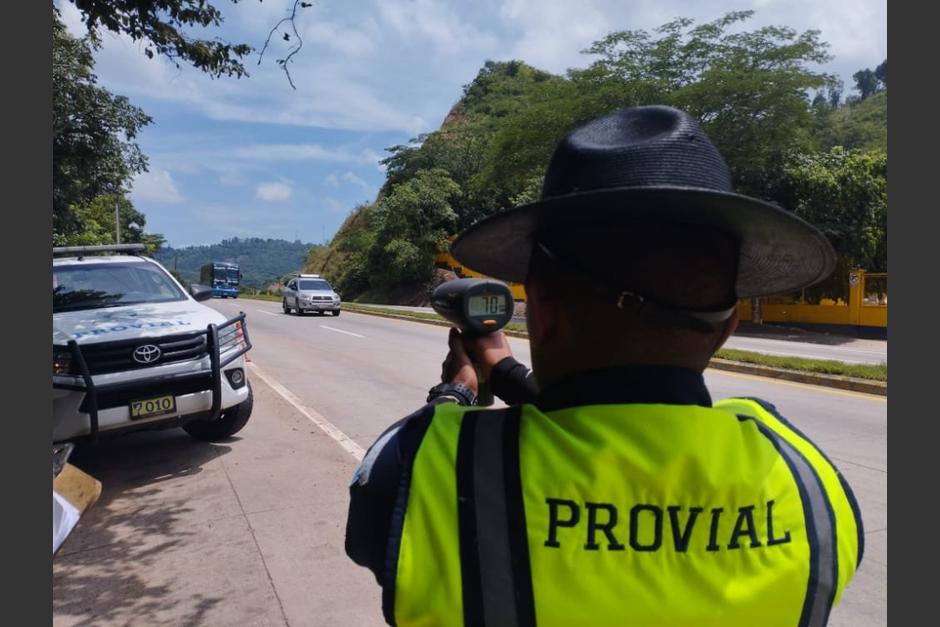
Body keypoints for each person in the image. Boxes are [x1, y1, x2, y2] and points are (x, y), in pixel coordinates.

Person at [345, 105, 863, 627]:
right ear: (726, 329)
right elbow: (620, 430)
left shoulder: (417, 470)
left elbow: (581, 434)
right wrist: (501, 369)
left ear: (540, 312)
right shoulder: (812, 487)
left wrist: (454, 392)